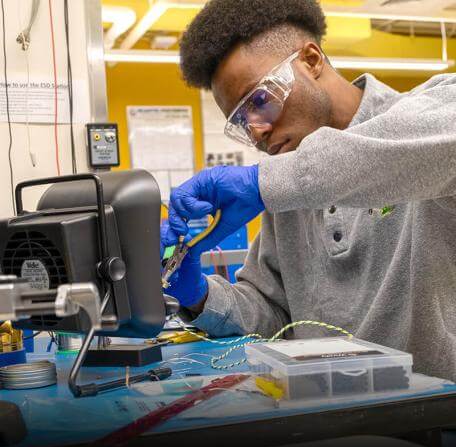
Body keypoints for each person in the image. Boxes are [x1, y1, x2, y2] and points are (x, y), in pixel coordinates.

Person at [161, 0, 456, 381]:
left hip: (434, 418)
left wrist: (263, 182)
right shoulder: (285, 187)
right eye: (241, 123)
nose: (257, 133)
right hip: (322, 417)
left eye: (259, 102)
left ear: (312, 60)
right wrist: (199, 294)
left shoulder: (429, 122)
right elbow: (273, 314)